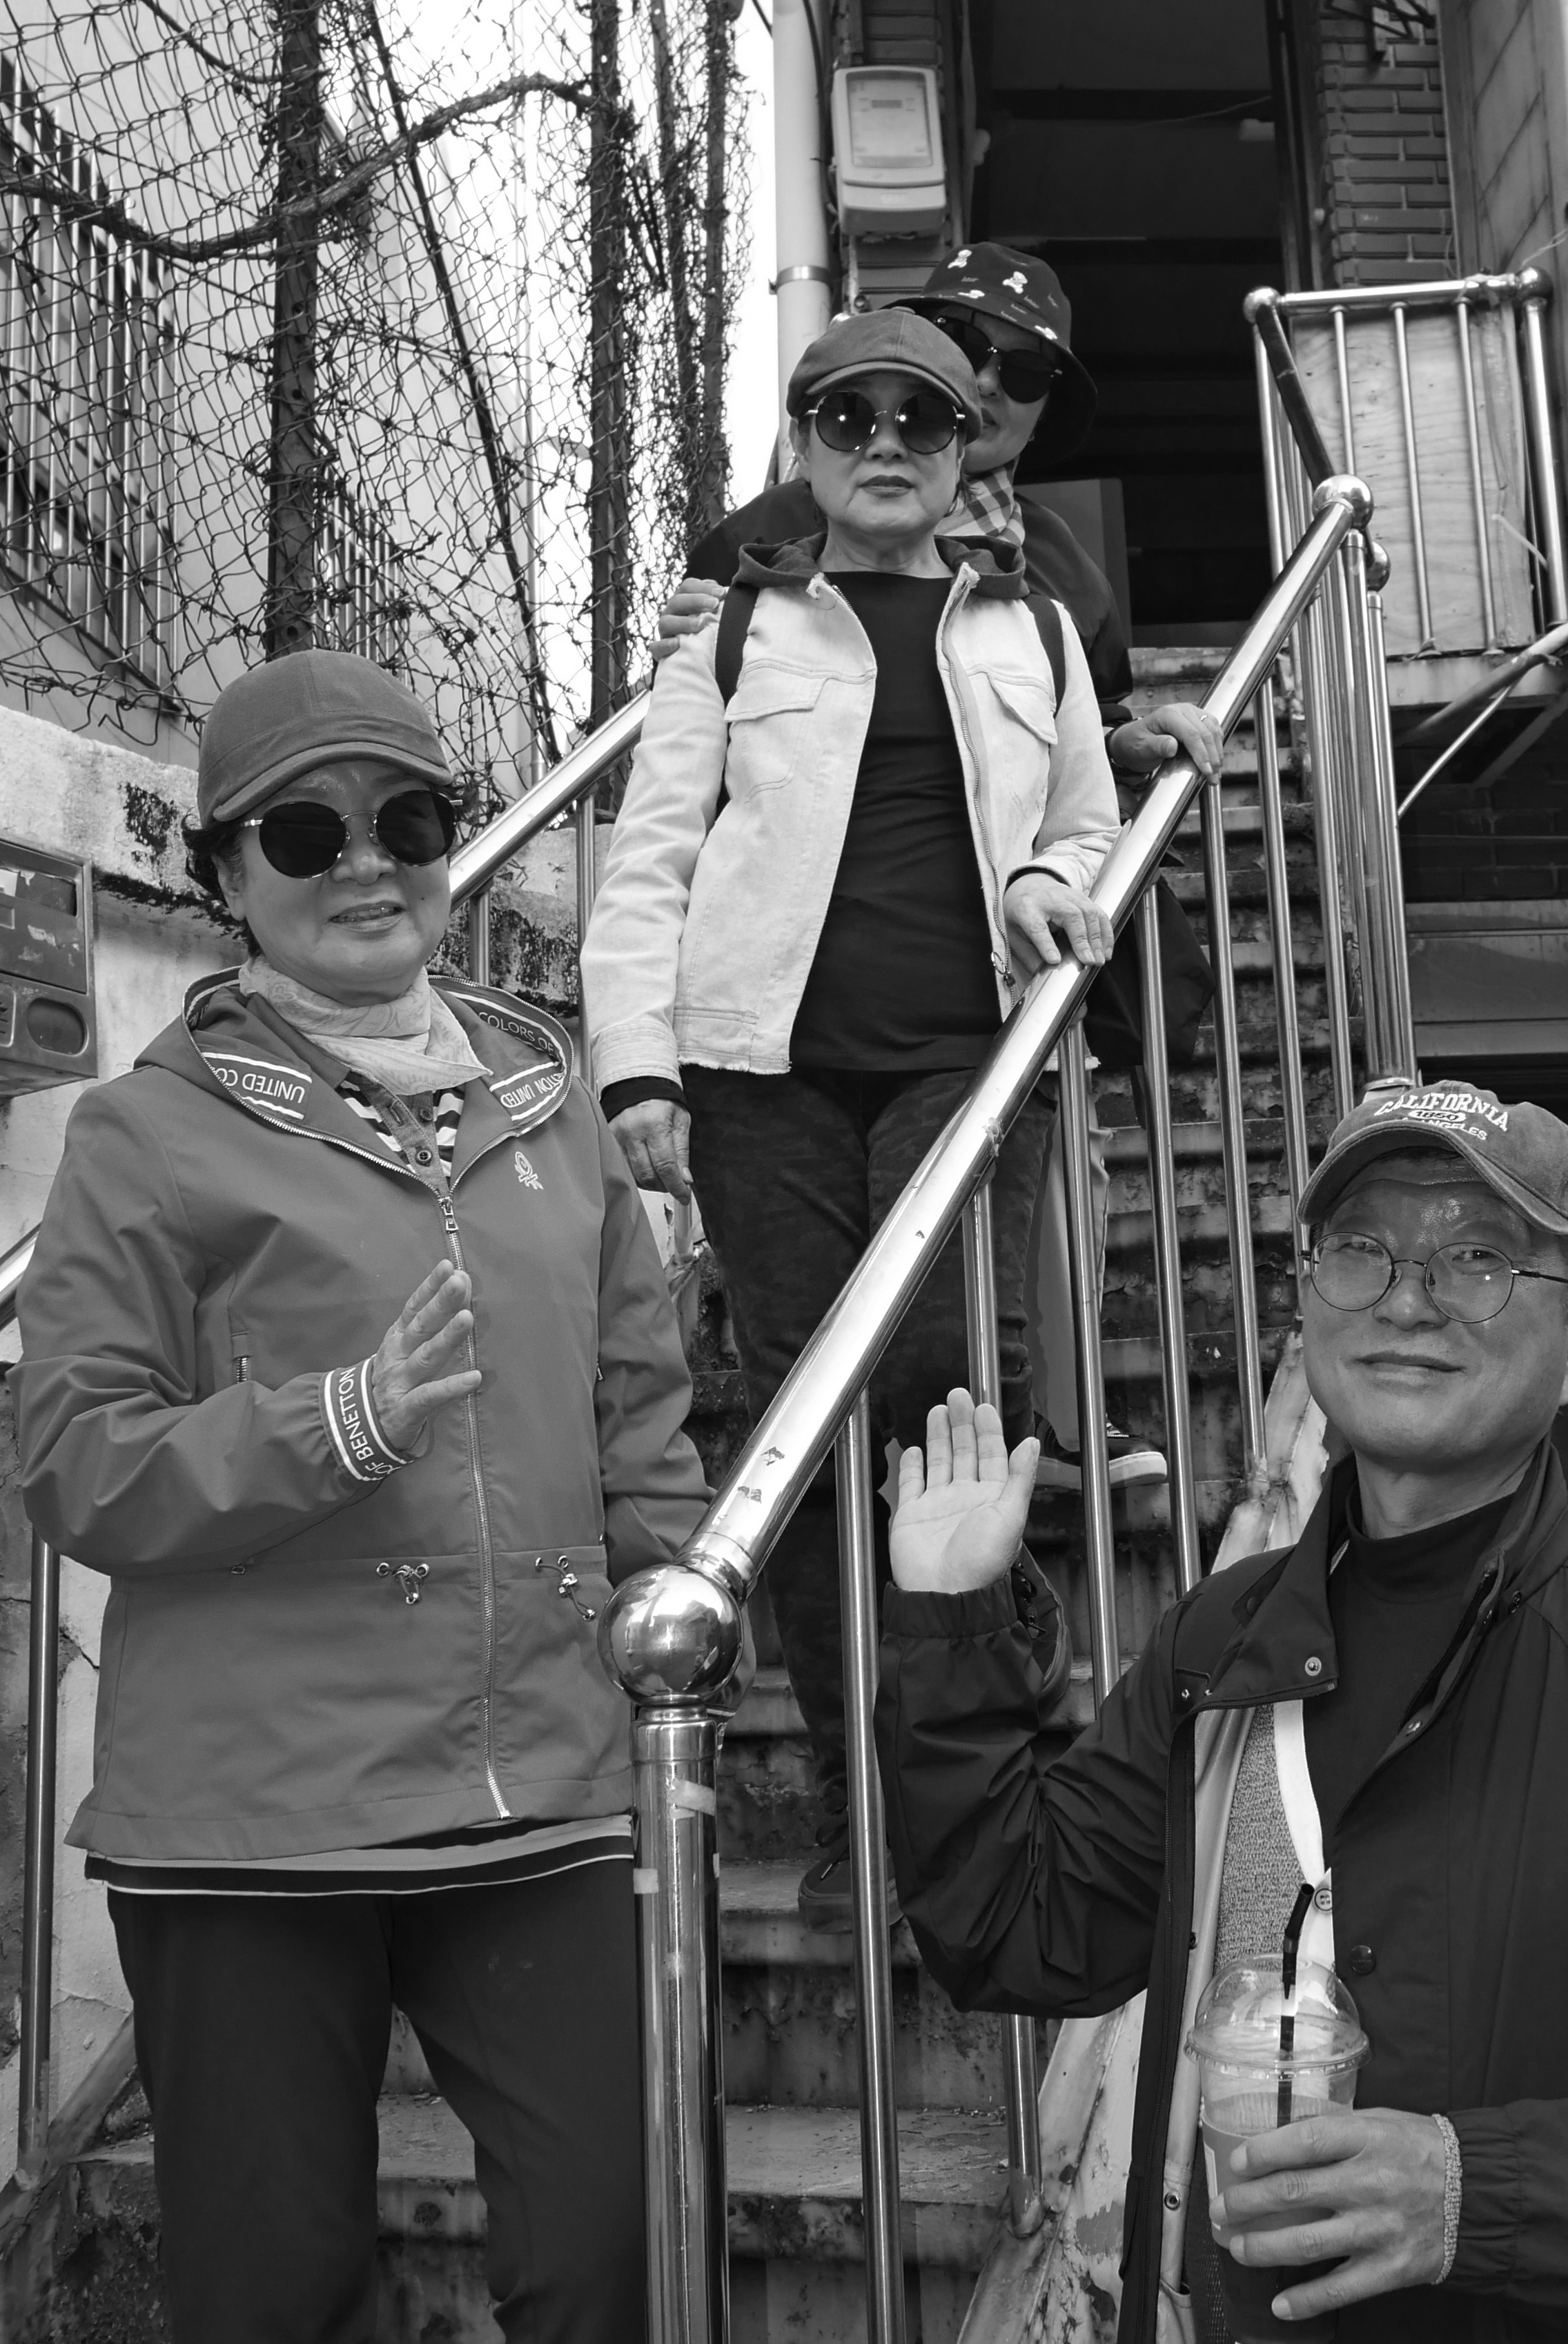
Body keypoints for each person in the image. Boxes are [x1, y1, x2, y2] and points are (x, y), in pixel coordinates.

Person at [877, 1079, 1568, 2343]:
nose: (1408, 1300)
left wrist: (1479, 2193)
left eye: (1479, 1259)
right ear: (1308, 1300)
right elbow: (1021, 1927)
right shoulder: (1224, 1645)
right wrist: (955, 1626)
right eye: (1363, 1248)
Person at [14, 649, 715, 2344]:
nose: (363, 864)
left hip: (541, 1786)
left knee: (616, 2249)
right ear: (223, 872)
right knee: (272, 2293)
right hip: (253, 1813)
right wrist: (336, 1421)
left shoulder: (550, 1093)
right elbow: (74, 1457)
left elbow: (637, 1405)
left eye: (405, 820)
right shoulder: (146, 1129)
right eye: (302, 832)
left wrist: (678, 1598)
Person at [582, 306, 1120, 1928]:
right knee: (802, 1438)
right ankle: (852, 1805)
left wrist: (1048, 873)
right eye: (848, 416)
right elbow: (652, 857)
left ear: (962, 454)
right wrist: (637, 1064)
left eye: (922, 418)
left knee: (945, 1398)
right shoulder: (735, 632)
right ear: (805, 445)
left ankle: (987, 1758)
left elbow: (1087, 816)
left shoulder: (1029, 625)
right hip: (762, 1077)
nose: (886, 443)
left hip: (966, 1056)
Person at [656, 241, 1218, 1492]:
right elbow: (694, 772)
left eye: (1023, 370)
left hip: (992, 978)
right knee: (817, 1375)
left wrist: (1119, 747)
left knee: (971, 1312)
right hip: (784, 1026)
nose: (990, 379)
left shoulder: (1061, 574)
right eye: (967, 345)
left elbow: (1052, 752)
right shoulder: (777, 535)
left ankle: (1038, 1435)